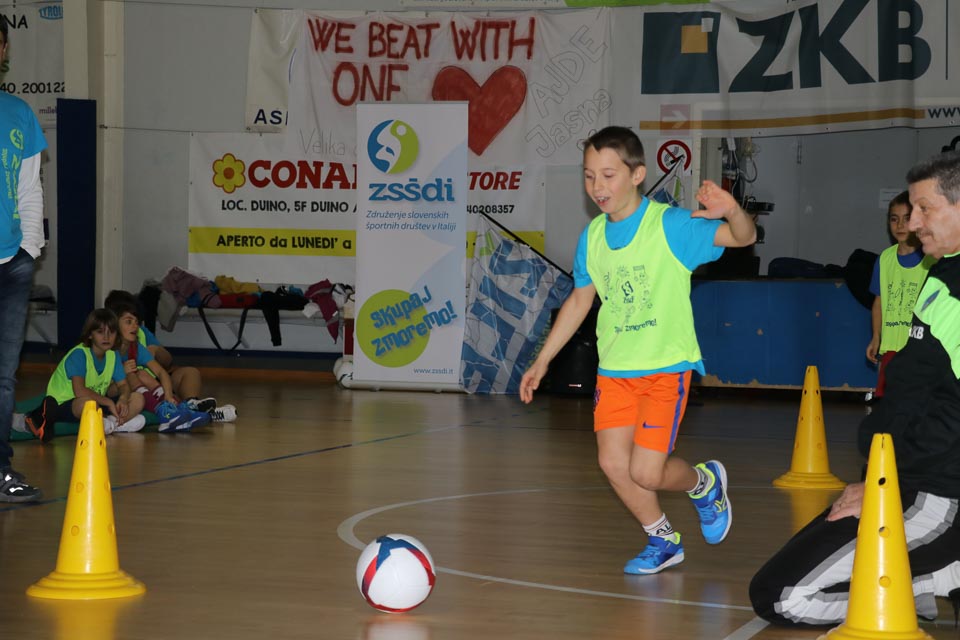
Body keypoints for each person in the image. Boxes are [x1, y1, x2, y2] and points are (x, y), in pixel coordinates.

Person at [519, 126, 756, 575]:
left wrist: (732, 210)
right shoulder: (592, 236)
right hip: (615, 372)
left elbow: (743, 238)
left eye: (608, 175)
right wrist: (543, 360)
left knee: (646, 471)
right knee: (613, 463)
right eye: (589, 176)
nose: (597, 186)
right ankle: (663, 540)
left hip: (665, 369)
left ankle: (704, 483)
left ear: (637, 174)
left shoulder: (670, 226)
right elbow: (580, 301)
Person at [750, 150, 960, 626]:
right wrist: (875, 478)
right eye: (910, 209)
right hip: (903, 481)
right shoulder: (940, 272)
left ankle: (934, 576)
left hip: (936, 495)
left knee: (782, 597)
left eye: (925, 209)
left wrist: (885, 482)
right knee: (784, 575)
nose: (913, 223)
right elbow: (914, 391)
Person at [0, 21, 47, 502]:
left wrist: (28, 250)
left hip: (11, 266)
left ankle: (0, 470)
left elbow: (29, 189)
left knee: (3, 378)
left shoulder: (19, 114)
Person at [104, 289, 236, 422]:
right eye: (128, 321)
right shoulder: (107, 347)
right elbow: (107, 386)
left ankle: (190, 406)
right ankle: (173, 412)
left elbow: (166, 364)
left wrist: (156, 350)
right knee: (135, 375)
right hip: (124, 391)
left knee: (190, 373)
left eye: (136, 321)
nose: (134, 325)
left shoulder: (139, 339)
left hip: (152, 385)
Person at [24, 309, 147, 441]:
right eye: (100, 332)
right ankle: (110, 423)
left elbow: (123, 385)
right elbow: (79, 391)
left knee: (138, 398)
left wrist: (123, 398)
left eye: (111, 332)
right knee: (88, 404)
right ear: (90, 335)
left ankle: (111, 424)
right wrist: (108, 402)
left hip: (97, 400)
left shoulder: (113, 354)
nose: (106, 337)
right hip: (65, 404)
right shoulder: (79, 354)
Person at [864, 190, 935, 401]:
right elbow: (878, 302)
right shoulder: (885, 259)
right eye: (894, 219)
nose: (900, 225)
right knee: (888, 405)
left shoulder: (931, 259)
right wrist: (876, 337)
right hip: (891, 349)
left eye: (907, 218)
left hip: (919, 349)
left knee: (917, 404)